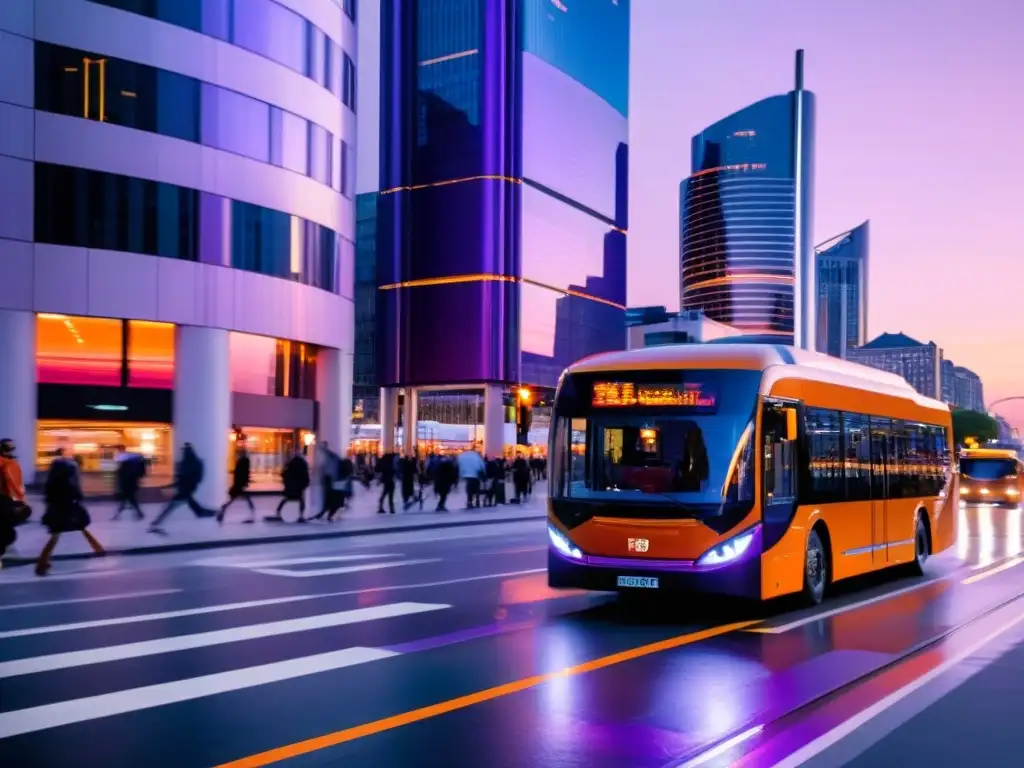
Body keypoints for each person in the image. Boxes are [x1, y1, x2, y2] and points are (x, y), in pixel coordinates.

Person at [36, 448, 104, 576]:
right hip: (69, 510)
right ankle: (99, 550)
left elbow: (48, 496)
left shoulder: (52, 480)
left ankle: (43, 561)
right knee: (82, 528)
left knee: (55, 536)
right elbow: (76, 493)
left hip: (56, 511)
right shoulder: (68, 480)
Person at [149, 443, 213, 535]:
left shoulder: (186, 464)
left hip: (184, 490)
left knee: (171, 507)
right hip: (188, 489)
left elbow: (181, 479)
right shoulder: (195, 462)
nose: (182, 453)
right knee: (194, 506)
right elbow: (194, 478)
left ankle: (157, 522)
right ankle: (212, 513)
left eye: (183, 451)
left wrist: (169, 486)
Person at [0, 438, 31, 564]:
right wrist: (20, 499)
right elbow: (13, 483)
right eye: (9, 448)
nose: (11, 451)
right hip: (4, 499)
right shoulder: (9, 463)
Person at [269, 450, 310, 522]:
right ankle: (300, 515)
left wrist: (286, 482)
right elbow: (305, 476)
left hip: (290, 486)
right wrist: (305, 484)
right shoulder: (303, 464)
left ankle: (278, 512)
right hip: (298, 486)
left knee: (287, 499)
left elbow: (283, 473)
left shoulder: (290, 463)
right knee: (300, 500)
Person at [218, 447, 255, 523]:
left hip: (239, 484)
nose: (237, 455)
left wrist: (244, 482)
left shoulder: (243, 461)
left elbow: (242, 473)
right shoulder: (243, 461)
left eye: (239, 453)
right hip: (239, 484)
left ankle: (222, 511)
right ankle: (252, 514)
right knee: (240, 498)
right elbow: (243, 473)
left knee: (237, 498)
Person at [112, 445, 147, 520]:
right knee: (129, 500)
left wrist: (119, 486)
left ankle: (118, 515)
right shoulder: (129, 461)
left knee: (129, 500)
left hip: (127, 485)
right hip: (131, 485)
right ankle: (139, 513)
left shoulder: (125, 462)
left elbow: (122, 476)